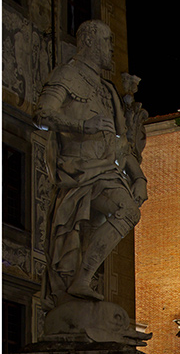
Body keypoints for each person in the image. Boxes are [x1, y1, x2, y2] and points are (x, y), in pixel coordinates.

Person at [35, 20, 147, 308]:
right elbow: (43, 114)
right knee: (126, 210)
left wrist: (139, 177)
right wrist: (83, 124)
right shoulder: (67, 74)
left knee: (129, 211)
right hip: (78, 169)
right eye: (107, 41)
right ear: (89, 42)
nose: (112, 48)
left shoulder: (108, 90)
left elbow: (119, 143)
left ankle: (82, 278)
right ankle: (80, 279)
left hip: (106, 171)